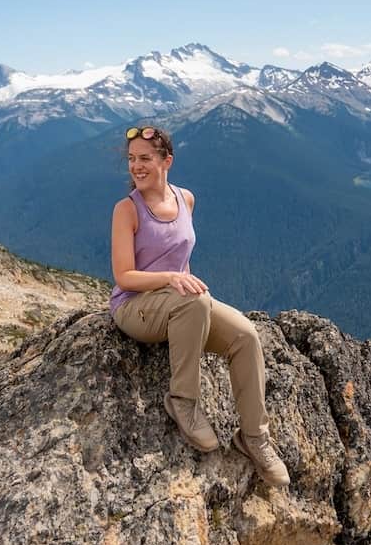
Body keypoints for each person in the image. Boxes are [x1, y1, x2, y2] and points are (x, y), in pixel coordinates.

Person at [109, 124, 290, 487]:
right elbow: (124, 276)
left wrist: (188, 291)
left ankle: (254, 437)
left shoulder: (185, 199)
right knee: (194, 304)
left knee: (246, 335)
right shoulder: (127, 210)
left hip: (178, 302)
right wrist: (171, 280)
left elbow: (180, 258)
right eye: (131, 159)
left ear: (167, 161)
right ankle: (184, 401)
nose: (136, 166)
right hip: (135, 308)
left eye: (145, 158)